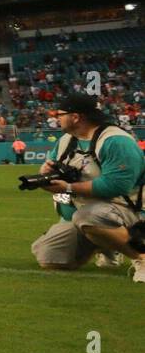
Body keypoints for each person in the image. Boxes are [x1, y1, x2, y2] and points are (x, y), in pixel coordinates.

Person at [29, 92, 145, 282]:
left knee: (89, 216)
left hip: (131, 210)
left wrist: (68, 188)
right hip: (91, 210)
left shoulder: (115, 141)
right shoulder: (67, 140)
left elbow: (117, 185)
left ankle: (141, 257)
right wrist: (45, 173)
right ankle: (107, 245)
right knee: (49, 256)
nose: (56, 119)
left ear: (75, 117)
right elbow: (53, 164)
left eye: (60, 114)